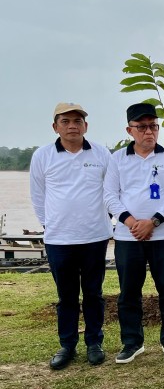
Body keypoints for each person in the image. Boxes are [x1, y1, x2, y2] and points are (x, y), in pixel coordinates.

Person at [30, 102, 112, 370]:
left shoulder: (101, 153)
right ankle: (67, 345)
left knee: (93, 293)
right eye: (65, 121)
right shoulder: (42, 156)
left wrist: (108, 220)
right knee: (66, 296)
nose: (72, 125)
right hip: (59, 239)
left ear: (86, 126)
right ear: (55, 127)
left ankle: (94, 343)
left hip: (95, 237)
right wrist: (49, 224)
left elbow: (112, 192)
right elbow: (38, 195)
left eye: (78, 121)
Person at [104, 103, 164, 363]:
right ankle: (131, 342)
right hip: (129, 237)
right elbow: (110, 196)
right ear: (130, 130)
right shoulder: (117, 158)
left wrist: (153, 221)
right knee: (129, 292)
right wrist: (131, 222)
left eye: (153, 126)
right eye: (142, 127)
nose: (148, 132)